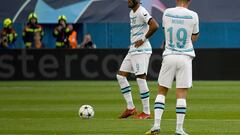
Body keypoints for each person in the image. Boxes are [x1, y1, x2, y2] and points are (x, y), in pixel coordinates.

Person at [145, 0, 199, 134]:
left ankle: (156, 125)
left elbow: (166, 32)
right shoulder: (193, 15)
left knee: (161, 91)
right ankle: (179, 129)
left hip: (169, 55)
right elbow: (194, 36)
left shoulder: (167, 13)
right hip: (185, 57)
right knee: (181, 94)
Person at [116, 0, 159, 119]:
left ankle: (146, 112)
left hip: (142, 50)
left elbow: (155, 25)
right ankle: (130, 108)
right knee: (120, 76)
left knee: (140, 78)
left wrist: (143, 39)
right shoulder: (132, 13)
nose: (128, 1)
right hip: (133, 49)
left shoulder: (142, 11)